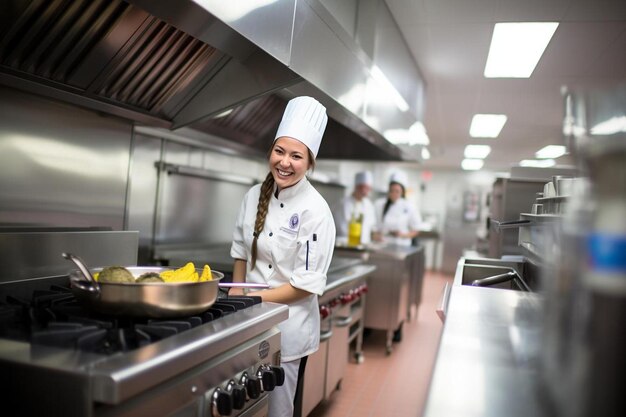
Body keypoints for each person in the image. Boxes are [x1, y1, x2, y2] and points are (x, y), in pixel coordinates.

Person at [230, 96, 336, 417]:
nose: (285, 162)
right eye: (279, 151)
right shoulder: (253, 196)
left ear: (309, 162)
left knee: (277, 411)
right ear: (270, 152)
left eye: (296, 156)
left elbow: (305, 285)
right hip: (249, 321)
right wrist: (237, 291)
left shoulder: (316, 211)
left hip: (289, 331)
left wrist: (252, 299)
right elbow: (239, 251)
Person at [373, 171, 421, 246]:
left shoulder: (409, 206)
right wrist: (376, 235)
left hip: (402, 245)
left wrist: (402, 235)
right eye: (391, 191)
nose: (394, 194)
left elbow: (416, 230)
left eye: (397, 191)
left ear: (402, 192)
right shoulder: (380, 204)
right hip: (383, 244)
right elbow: (376, 226)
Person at [332, 170, 377, 245]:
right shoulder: (343, 204)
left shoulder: (369, 205)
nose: (365, 192)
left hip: (364, 246)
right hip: (346, 245)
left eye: (368, 189)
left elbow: (371, 227)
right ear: (357, 187)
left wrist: (375, 235)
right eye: (363, 188)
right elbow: (341, 228)